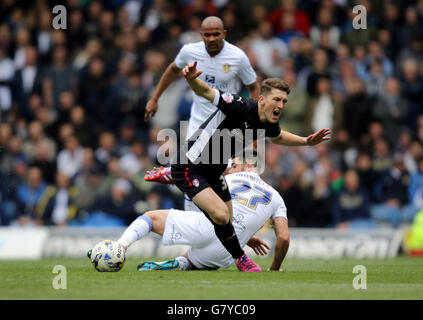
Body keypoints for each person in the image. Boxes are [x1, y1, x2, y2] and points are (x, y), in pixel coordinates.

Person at [145, 61, 331, 272]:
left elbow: (278, 137)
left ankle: (170, 174)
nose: (280, 105)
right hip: (190, 165)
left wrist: (307, 141)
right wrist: (191, 79)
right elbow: (206, 91)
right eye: (276, 99)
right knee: (221, 216)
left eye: (284, 101)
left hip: (214, 169)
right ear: (261, 99)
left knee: (228, 221)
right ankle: (241, 259)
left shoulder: (268, 122)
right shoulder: (238, 104)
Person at [144, 16, 260, 212]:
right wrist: (155, 98)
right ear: (201, 35)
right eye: (208, 35)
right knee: (196, 178)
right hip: (198, 124)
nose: (212, 38)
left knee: (224, 175)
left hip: (228, 125)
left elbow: (254, 87)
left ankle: (174, 173)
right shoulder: (190, 51)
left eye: (216, 34)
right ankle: (195, 220)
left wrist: (253, 127)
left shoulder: (237, 57)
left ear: (224, 34)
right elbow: (173, 69)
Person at [96, 156, 290, 271]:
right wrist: (273, 267)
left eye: (234, 165)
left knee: (150, 218)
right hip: (227, 252)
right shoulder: (277, 198)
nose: (230, 168)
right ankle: (179, 263)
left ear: (248, 167)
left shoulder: (227, 178)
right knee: (193, 258)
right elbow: (283, 238)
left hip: (207, 221)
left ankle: (120, 246)